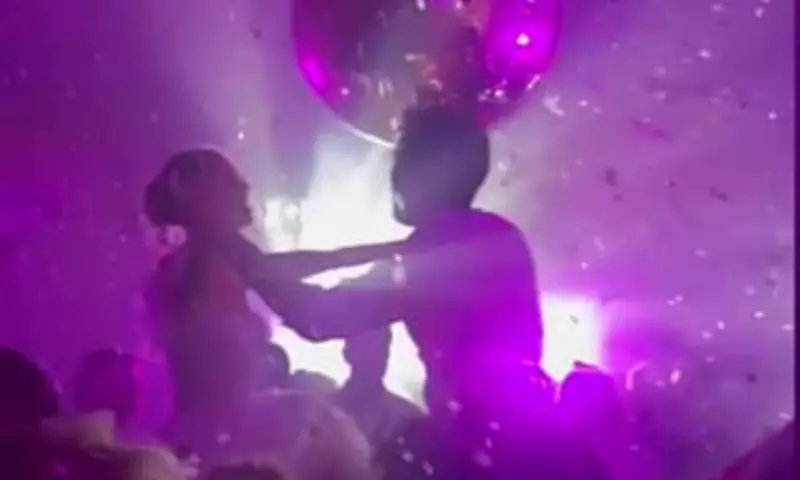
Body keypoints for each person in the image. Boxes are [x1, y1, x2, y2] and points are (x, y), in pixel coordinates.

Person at [220, 104, 586, 477]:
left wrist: (231, 247)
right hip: (535, 440)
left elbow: (317, 316)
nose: (393, 175)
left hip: (491, 455)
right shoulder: (498, 235)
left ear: (425, 173)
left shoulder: (433, 247)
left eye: (400, 161)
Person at [143, 149, 402, 427]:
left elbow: (298, 279)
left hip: (214, 427)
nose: (245, 187)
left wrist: (388, 254)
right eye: (231, 182)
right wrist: (405, 289)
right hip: (221, 431)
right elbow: (312, 314)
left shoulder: (212, 258)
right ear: (204, 199)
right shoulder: (212, 261)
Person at [336, 327, 420, 449]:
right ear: (348, 353)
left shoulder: (409, 419)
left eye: (381, 350)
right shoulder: (322, 415)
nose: (375, 359)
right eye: (366, 350)